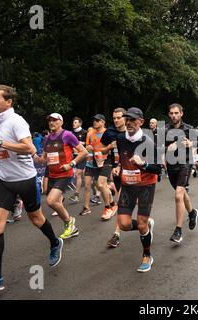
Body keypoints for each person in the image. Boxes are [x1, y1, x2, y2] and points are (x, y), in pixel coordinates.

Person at [0, 85, 62, 292]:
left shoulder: (17, 121)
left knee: (36, 219)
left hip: (25, 179)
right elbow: (1, 150)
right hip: (5, 180)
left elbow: (29, 148)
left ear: (8, 102)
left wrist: (0, 143)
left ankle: (55, 242)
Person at [107, 108, 161, 272]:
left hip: (146, 185)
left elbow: (158, 169)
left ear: (141, 122)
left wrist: (143, 164)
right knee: (123, 224)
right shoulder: (120, 138)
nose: (129, 122)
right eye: (127, 119)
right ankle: (146, 226)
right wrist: (117, 166)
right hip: (128, 186)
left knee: (142, 224)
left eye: (133, 119)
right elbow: (121, 157)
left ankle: (147, 255)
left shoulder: (148, 142)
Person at [33, 113, 87, 239]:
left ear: (61, 122)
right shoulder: (46, 139)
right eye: (50, 120)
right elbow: (43, 159)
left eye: (55, 120)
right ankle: (71, 228)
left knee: (51, 201)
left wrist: (71, 164)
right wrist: (33, 154)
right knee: (54, 200)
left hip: (65, 174)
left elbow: (83, 151)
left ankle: (69, 222)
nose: (51, 122)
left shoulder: (67, 135)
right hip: (52, 174)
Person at [165, 103, 198, 243]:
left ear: (181, 114)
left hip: (185, 163)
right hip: (171, 166)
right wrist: (169, 147)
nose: (174, 115)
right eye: (171, 113)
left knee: (178, 195)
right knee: (182, 193)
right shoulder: (165, 130)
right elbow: (158, 147)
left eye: (176, 113)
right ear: (169, 114)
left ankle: (178, 230)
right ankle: (192, 212)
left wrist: (191, 144)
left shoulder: (189, 129)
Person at [79, 114, 114, 220]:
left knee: (100, 185)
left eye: (97, 120)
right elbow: (88, 148)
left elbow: (112, 148)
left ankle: (109, 206)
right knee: (88, 185)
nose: (95, 122)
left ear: (103, 122)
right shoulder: (90, 133)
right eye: (94, 120)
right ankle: (86, 207)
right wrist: (87, 148)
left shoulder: (108, 133)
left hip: (105, 161)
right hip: (91, 162)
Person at [102, 108, 128, 248]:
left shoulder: (132, 131)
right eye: (114, 118)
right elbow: (101, 150)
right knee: (123, 201)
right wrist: (108, 147)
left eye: (119, 117)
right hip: (117, 170)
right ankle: (144, 222)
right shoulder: (110, 132)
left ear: (125, 118)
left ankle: (116, 234)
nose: (116, 120)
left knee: (123, 202)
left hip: (131, 170)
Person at [68, 117, 88, 203]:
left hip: (83, 155)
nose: (73, 124)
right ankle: (93, 186)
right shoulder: (71, 134)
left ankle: (76, 195)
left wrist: (80, 144)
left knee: (78, 174)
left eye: (75, 122)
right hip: (74, 156)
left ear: (80, 123)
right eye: (73, 122)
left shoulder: (85, 133)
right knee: (80, 175)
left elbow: (89, 144)